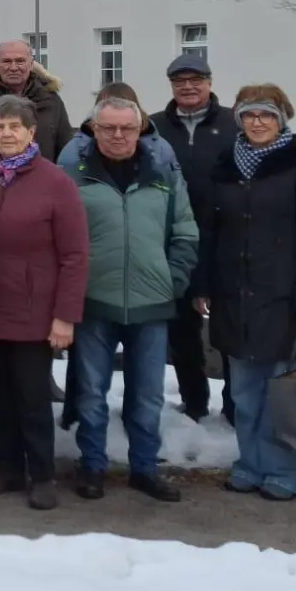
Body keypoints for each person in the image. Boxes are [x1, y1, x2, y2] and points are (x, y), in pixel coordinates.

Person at [194, 84, 296, 501]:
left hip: (285, 298)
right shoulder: (226, 165)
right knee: (245, 393)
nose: (257, 123)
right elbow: (209, 230)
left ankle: (284, 470)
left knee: (283, 392)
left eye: (266, 115)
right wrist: (203, 284)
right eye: (249, 115)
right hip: (234, 294)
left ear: (281, 119)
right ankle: (250, 464)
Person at [64, 96, 197, 503]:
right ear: (94, 129)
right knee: (91, 391)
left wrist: (173, 279)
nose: (118, 135)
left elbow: (185, 229)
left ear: (140, 129)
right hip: (94, 300)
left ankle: (145, 468)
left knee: (147, 395)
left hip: (152, 302)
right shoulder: (73, 173)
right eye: (108, 128)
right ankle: (92, 465)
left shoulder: (162, 171)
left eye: (126, 128)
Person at [0, 95, 88, 510]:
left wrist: (65, 317)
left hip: (34, 312)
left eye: (15, 127)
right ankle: (9, 467)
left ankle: (42, 473)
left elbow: (74, 255)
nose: (7, 134)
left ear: (31, 132)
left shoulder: (56, 182)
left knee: (32, 397)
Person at [150, 53, 239, 423]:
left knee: (231, 327)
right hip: (172, 240)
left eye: (195, 80)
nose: (188, 87)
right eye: (180, 81)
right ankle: (194, 401)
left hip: (227, 238)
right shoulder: (153, 127)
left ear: (210, 82)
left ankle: (235, 404)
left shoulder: (234, 123)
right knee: (182, 329)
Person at [0, 40, 73, 161]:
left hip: (43, 172)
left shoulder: (50, 100)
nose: (13, 68)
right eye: (7, 61)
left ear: (31, 64)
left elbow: (65, 147)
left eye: (20, 61)